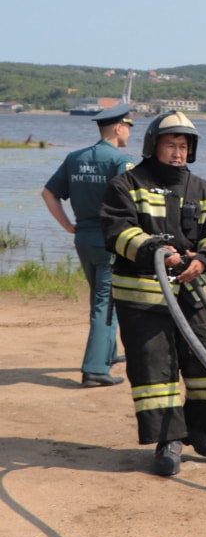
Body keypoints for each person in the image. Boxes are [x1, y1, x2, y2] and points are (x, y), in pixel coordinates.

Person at [100, 111, 206, 477]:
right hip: (143, 297)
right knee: (155, 368)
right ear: (152, 146)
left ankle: (198, 427)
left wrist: (205, 259)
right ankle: (168, 440)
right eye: (170, 145)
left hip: (194, 293)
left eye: (183, 146)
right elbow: (118, 230)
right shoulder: (126, 185)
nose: (177, 153)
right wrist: (156, 252)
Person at [41, 103, 135, 387]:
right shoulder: (121, 161)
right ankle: (94, 369)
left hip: (83, 238)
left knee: (102, 297)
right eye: (129, 127)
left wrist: (68, 225)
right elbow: (132, 203)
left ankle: (107, 353)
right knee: (105, 303)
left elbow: (48, 193)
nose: (130, 132)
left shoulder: (74, 158)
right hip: (110, 241)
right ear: (118, 128)